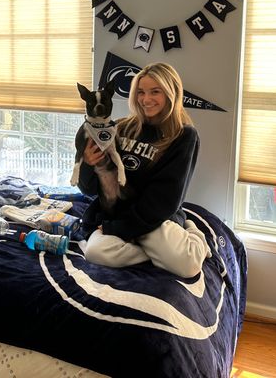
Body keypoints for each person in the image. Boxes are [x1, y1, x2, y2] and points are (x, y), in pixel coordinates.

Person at [78, 62, 211, 278]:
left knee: (188, 266)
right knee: (95, 252)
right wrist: (87, 163)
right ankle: (155, 253)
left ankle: (193, 233)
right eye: (140, 92)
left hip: (154, 219)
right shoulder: (119, 128)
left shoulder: (184, 136)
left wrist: (117, 230)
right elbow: (90, 189)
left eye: (155, 92)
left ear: (171, 93)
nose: (146, 99)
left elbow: (164, 201)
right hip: (118, 213)